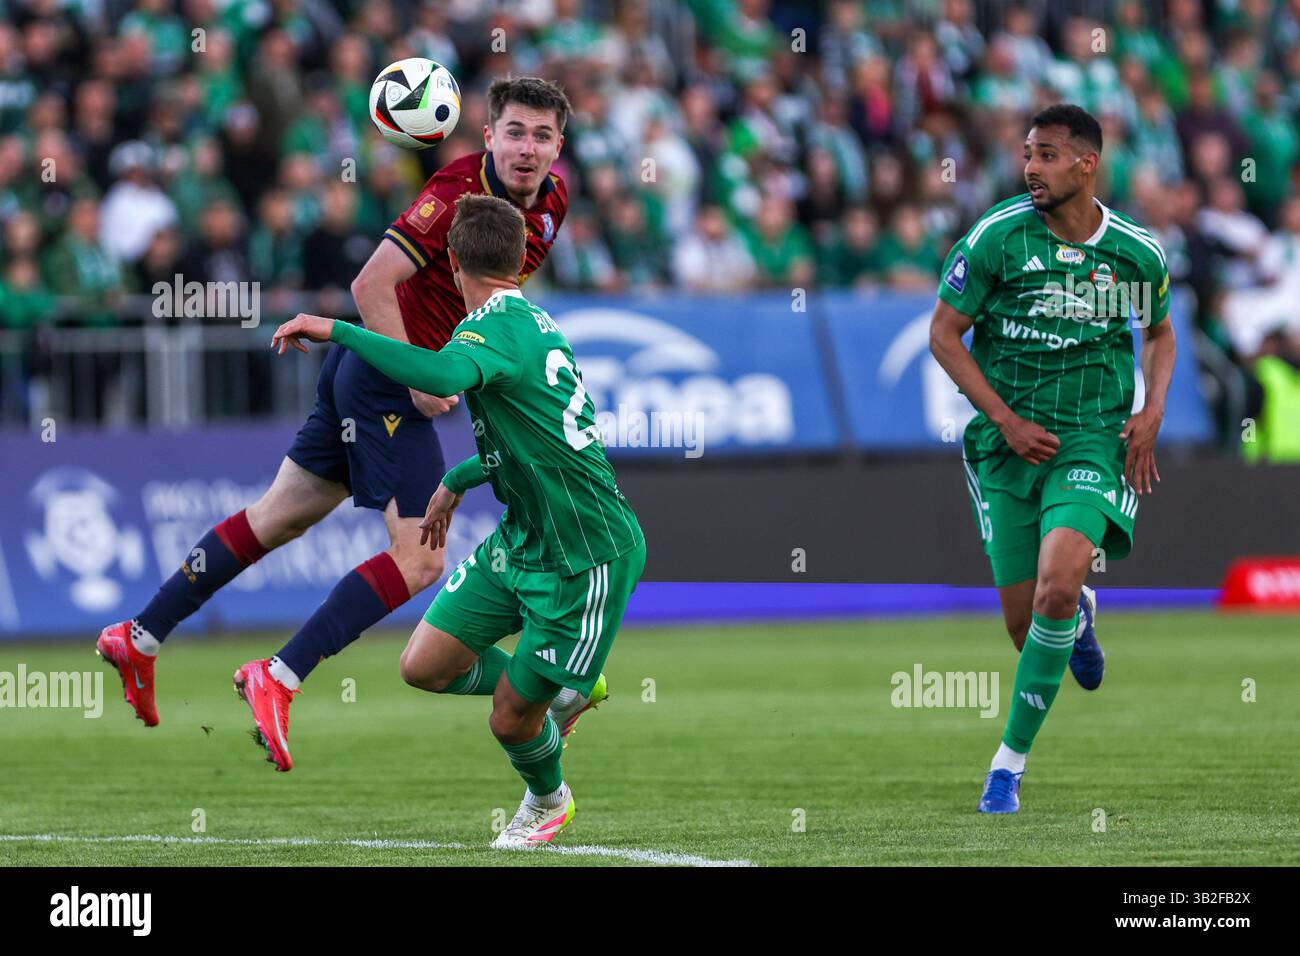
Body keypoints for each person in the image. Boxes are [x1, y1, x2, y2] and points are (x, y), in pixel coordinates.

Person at [95, 77, 573, 775]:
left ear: (559, 145)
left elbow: (483, 306)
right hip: (386, 382)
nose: (527, 148)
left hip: (371, 376)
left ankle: (140, 634)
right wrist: (418, 375)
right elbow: (369, 287)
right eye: (515, 132)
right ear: (489, 135)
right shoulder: (453, 193)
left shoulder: (554, 203)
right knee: (421, 558)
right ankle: (280, 676)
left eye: (542, 135)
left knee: (275, 518)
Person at [271, 194, 646, 848]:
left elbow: (441, 375)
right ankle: (564, 688)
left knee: (509, 722)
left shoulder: (490, 330)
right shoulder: (529, 320)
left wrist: (337, 329)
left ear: (448, 262)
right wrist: (458, 477)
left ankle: (548, 798)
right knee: (424, 665)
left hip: (584, 557)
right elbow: (535, 440)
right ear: (518, 261)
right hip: (524, 540)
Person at [928, 104, 1176, 814]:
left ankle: (1006, 767)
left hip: (1092, 438)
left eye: (1045, 155)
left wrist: (1151, 411)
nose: (1030, 168)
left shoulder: (1134, 253)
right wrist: (1003, 420)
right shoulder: (998, 239)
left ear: (1086, 164)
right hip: (1009, 446)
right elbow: (945, 336)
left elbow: (1159, 334)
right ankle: (1078, 618)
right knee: (1023, 624)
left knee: (1054, 591)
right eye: (1026, 155)